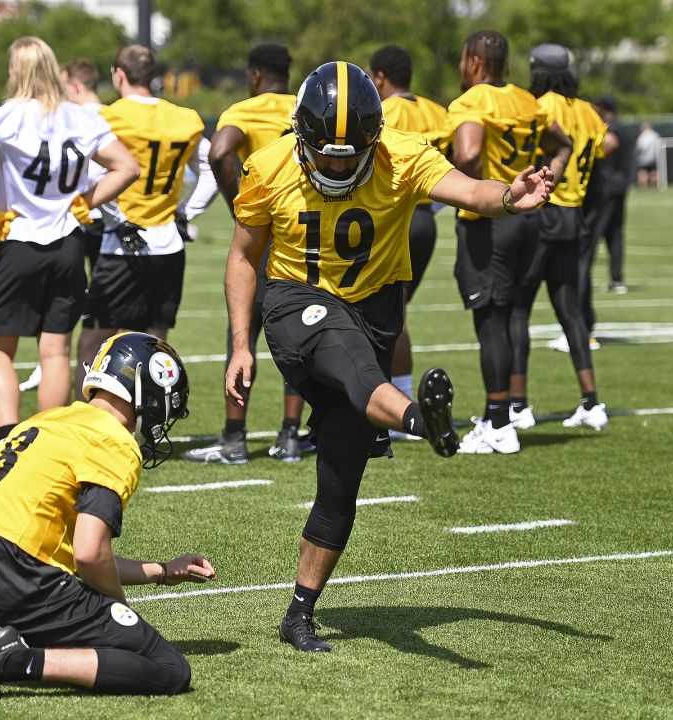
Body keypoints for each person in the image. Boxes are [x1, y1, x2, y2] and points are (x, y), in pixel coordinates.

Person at [226, 61, 552, 652]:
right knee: (345, 350)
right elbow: (245, 257)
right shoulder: (267, 166)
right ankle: (417, 421)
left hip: (373, 312)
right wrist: (240, 344)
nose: (339, 166)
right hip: (297, 305)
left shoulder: (403, 155)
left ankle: (300, 610)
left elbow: (469, 190)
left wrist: (510, 195)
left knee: (340, 482)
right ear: (301, 134)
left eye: (351, 155)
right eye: (327, 154)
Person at [0, 332, 216, 699]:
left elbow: (69, 557)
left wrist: (161, 571)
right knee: (168, 669)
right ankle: (16, 661)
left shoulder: (48, 420)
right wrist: (119, 615)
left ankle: (13, 650)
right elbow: (88, 553)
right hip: (11, 571)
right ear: (148, 392)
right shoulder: (111, 438)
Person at [0, 37, 139, 473]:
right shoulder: (80, 116)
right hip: (68, 244)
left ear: (15, 69)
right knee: (55, 351)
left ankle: (7, 445)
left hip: (17, 239)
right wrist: (86, 202)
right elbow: (127, 166)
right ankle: (41, 447)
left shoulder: (2, 115)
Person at [186, 43, 312, 464]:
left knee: (242, 333)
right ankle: (291, 437)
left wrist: (242, 206)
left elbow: (219, 151)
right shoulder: (305, 104)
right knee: (299, 339)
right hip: (305, 238)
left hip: (263, 237)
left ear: (254, 74)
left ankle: (235, 439)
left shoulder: (244, 110)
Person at [448, 30, 570, 454]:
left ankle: (499, 422)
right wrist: (548, 176)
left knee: (490, 319)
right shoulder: (527, 100)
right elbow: (564, 143)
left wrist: (454, 181)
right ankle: (504, 410)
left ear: (477, 63)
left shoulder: (471, 101)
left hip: (490, 217)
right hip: (527, 218)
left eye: (465, 60)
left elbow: (466, 154)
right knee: (510, 313)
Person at [77, 45, 213, 394]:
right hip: (167, 242)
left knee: (93, 339)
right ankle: (149, 424)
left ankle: (86, 419)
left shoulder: (108, 116)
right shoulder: (183, 117)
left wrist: (117, 219)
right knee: (155, 343)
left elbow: (92, 178)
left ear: (118, 74)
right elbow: (210, 169)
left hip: (121, 245)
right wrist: (185, 212)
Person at [509, 44, 608, 433]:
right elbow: (600, 160)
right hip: (574, 217)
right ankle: (591, 401)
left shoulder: (541, 106)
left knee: (518, 309)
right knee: (571, 313)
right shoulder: (588, 111)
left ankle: (518, 405)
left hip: (543, 213)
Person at [367, 44, 450, 439]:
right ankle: (396, 398)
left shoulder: (386, 111)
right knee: (396, 312)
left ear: (380, 77)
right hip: (427, 219)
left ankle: (395, 404)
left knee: (386, 313)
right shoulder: (439, 111)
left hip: (392, 218)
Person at [18, 57, 109, 395]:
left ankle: (59, 365)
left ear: (73, 85)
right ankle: (51, 364)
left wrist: (81, 201)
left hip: (85, 218)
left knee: (69, 298)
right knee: (77, 298)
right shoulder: (103, 113)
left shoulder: (88, 117)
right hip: (94, 218)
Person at [585, 94, 630, 302]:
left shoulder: (610, 126)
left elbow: (610, 144)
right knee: (615, 233)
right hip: (620, 184)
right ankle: (617, 278)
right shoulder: (624, 125)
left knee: (595, 231)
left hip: (607, 185)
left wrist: (591, 154)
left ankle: (584, 272)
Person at [635, 122, 660, 189]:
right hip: (654, 158)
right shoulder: (655, 135)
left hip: (643, 158)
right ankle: (654, 187)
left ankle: (643, 188)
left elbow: (641, 147)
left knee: (643, 173)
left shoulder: (642, 136)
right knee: (653, 173)